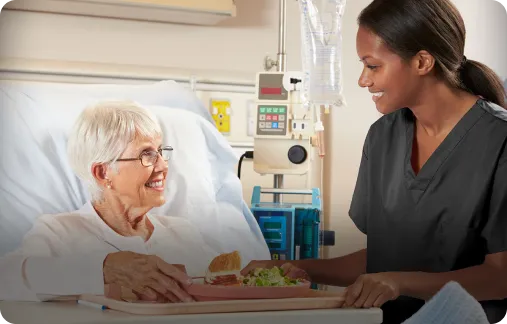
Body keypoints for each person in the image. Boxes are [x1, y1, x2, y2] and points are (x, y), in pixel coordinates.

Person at [242, 0, 507, 323]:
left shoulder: (498, 141)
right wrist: (296, 269)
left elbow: (499, 276)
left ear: (422, 61)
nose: (363, 80)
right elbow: (382, 262)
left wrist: (399, 283)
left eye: (373, 66)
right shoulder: (383, 137)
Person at [0, 100, 269, 303]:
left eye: (162, 152)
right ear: (104, 172)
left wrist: (278, 273)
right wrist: (103, 269)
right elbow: (8, 277)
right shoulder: (59, 232)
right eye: (147, 155)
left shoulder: (183, 232)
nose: (163, 166)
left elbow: (224, 287)